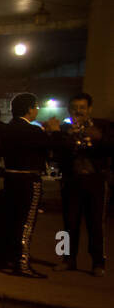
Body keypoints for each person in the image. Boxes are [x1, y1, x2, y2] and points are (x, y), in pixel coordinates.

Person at [0, 93, 50, 277]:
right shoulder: (34, 131)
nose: (37, 110)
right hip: (28, 180)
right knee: (25, 223)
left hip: (10, 179)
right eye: (36, 107)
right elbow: (49, 149)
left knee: (9, 221)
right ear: (29, 109)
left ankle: (3, 258)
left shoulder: (5, 130)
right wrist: (54, 132)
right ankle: (21, 262)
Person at [53, 92, 109, 275]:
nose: (78, 111)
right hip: (72, 181)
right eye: (75, 108)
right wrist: (67, 138)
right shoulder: (63, 129)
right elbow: (57, 154)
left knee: (95, 223)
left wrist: (98, 138)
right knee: (69, 223)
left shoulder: (102, 127)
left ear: (89, 109)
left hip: (95, 180)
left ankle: (98, 262)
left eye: (82, 108)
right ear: (69, 109)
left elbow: (110, 147)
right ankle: (67, 259)